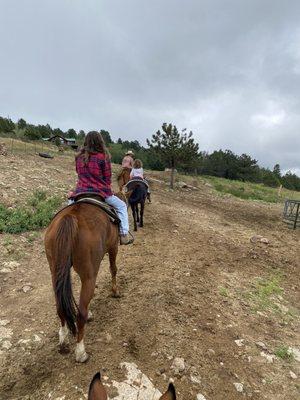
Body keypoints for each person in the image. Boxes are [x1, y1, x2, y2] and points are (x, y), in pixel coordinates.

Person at [72, 131, 133, 245]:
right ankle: (124, 234)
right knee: (122, 206)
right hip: (100, 192)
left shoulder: (78, 157)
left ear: (86, 142)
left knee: (69, 208)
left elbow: (78, 173)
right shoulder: (103, 157)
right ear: (100, 142)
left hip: (80, 191)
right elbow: (107, 178)